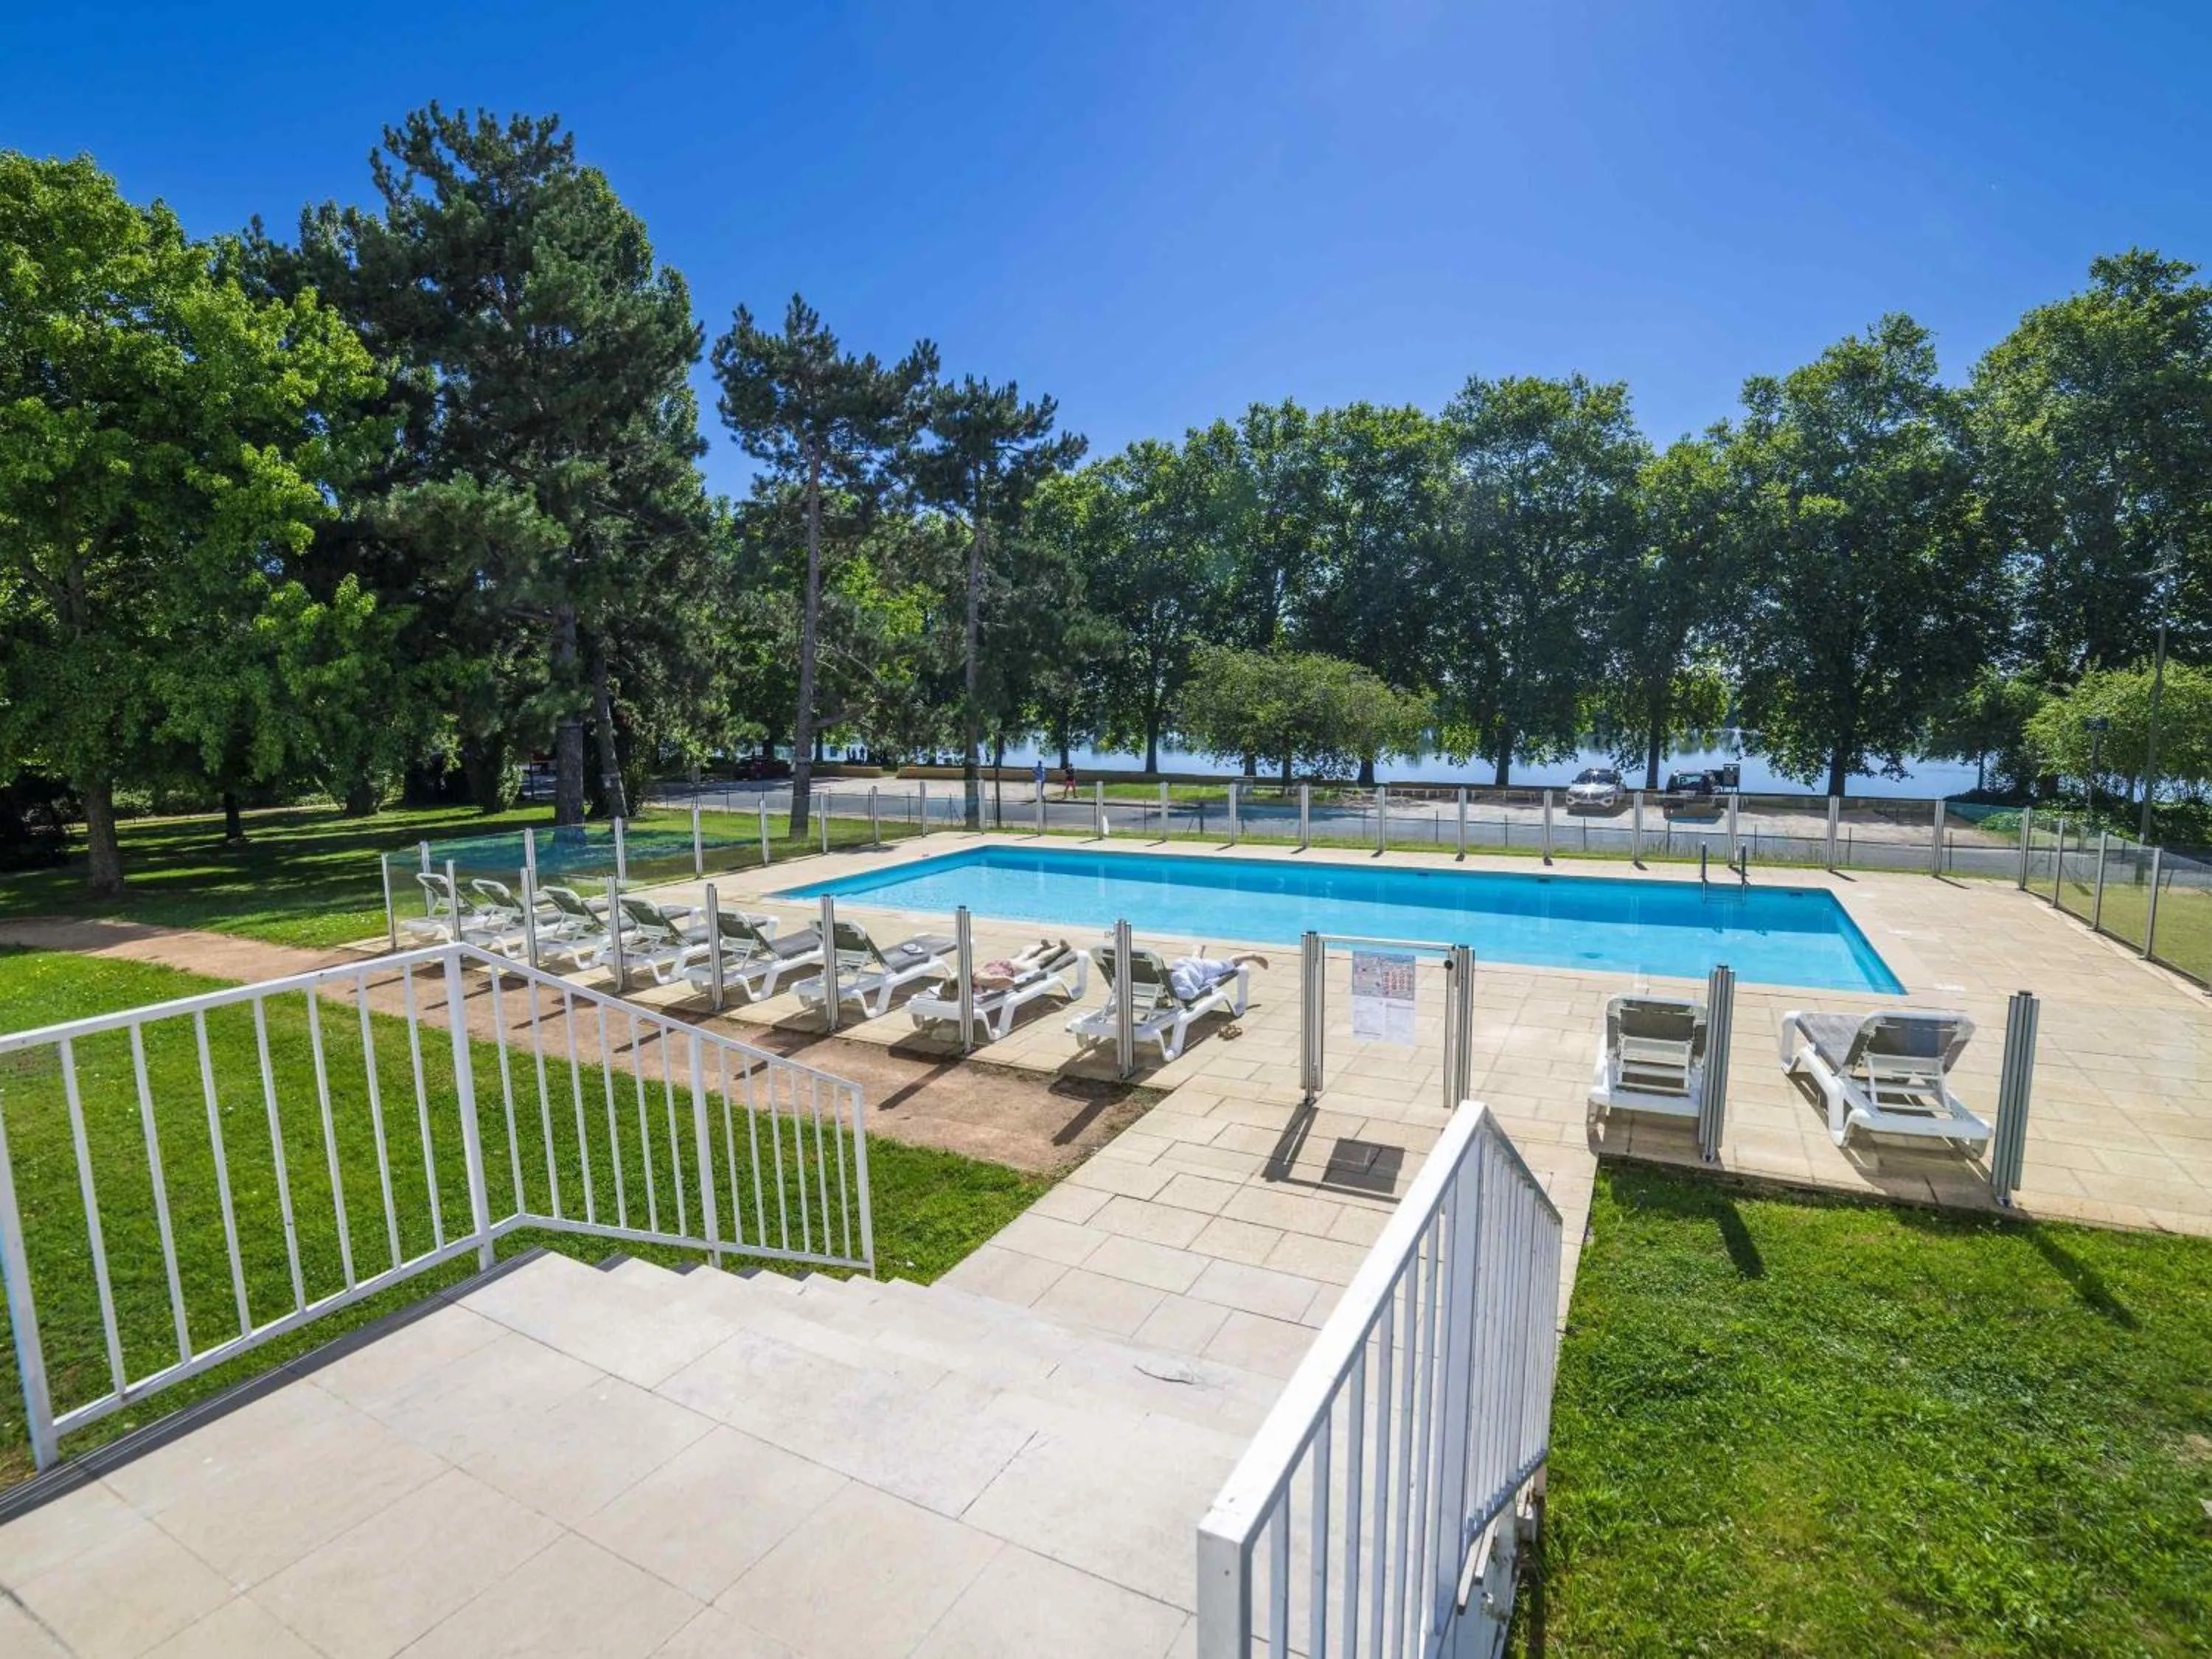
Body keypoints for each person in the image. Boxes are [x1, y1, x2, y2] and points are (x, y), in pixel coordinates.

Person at [1166, 951, 1268, 1002]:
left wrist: (1170, 995)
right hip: (1186, 967)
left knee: (1227, 965)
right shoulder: (1162, 981)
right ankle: (1197, 951)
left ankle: (1252, 956)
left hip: (1203, 969)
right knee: (1195, 961)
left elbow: (1191, 995)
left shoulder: (1180, 981)